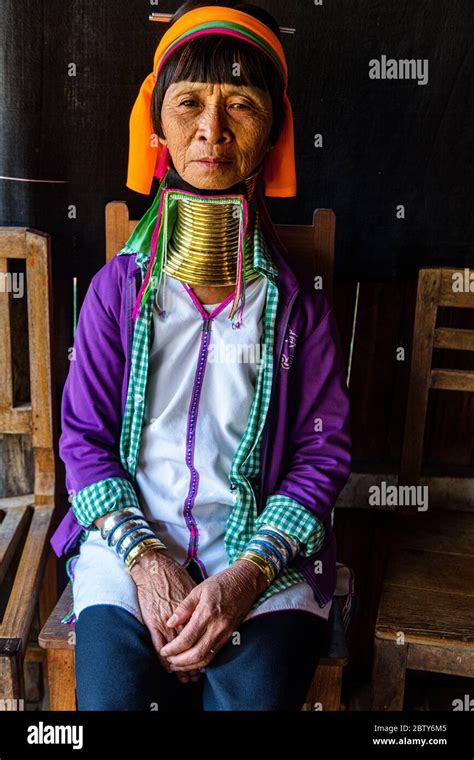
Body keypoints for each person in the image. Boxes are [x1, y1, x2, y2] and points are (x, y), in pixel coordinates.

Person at [50, 0, 352, 711]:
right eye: (189, 103)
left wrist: (242, 578)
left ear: (272, 129)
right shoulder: (116, 292)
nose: (211, 131)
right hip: (130, 553)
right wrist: (148, 564)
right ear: (157, 125)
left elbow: (324, 453)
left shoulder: (295, 305)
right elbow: (84, 441)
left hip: (262, 562)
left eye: (240, 106)